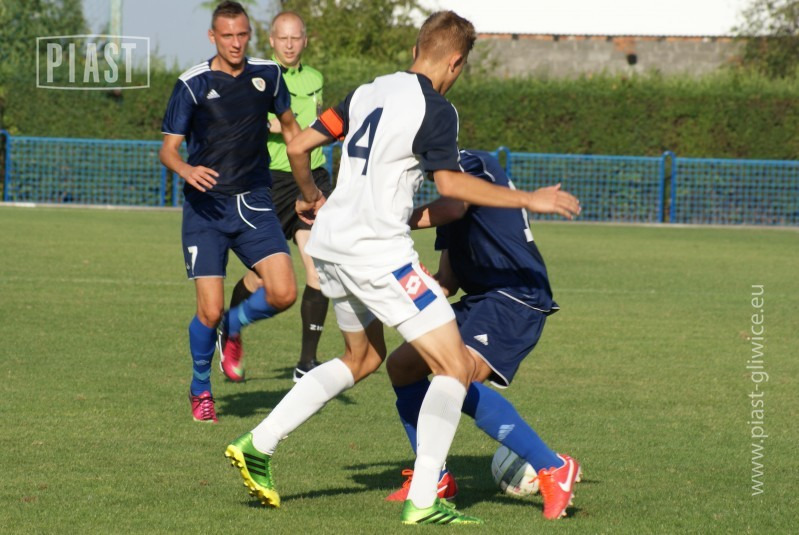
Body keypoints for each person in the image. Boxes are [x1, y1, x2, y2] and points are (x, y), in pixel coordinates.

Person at [223, 11, 580, 525]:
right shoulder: (437, 109)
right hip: (377, 253)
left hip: (330, 245)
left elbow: (298, 145)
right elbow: (451, 188)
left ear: (416, 49)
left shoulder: (367, 92)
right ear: (455, 63)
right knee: (454, 366)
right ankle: (429, 498)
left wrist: (309, 196)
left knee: (362, 358)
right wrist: (529, 198)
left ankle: (259, 443)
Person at [383, 149, 580, 520]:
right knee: (403, 367)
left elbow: (452, 206)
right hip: (481, 299)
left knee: (457, 372)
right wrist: (414, 288)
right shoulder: (449, 190)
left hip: (515, 296)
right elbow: (449, 281)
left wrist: (386, 222)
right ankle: (434, 478)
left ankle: (552, 466)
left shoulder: (469, 162)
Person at [158, 1, 323, 423]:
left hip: (254, 203)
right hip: (206, 209)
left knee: (284, 292)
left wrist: (308, 192)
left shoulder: (268, 75)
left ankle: (233, 325)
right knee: (207, 311)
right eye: (227, 35)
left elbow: (292, 133)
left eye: (242, 34)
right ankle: (200, 387)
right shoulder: (192, 84)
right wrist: (186, 169)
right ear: (212, 36)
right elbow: (168, 150)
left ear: (250, 34)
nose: (235, 43)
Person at [222, 11, 333, 383]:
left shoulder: (316, 78)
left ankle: (306, 364)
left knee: (319, 269)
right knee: (262, 278)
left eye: (295, 38)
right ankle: (230, 328)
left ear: (305, 40)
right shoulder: (256, 76)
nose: (289, 44)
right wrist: (281, 125)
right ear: (271, 41)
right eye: (282, 38)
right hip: (270, 181)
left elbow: (317, 120)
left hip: (312, 178)